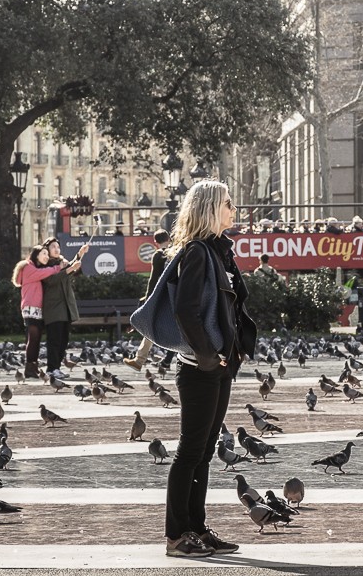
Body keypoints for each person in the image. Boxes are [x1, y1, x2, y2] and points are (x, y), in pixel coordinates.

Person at [164, 180, 256, 558]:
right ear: (209, 208)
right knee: (190, 452)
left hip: (219, 364)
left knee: (203, 453)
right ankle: (176, 536)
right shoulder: (198, 252)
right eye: (228, 204)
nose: (233, 210)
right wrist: (205, 355)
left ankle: (197, 529)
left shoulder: (218, 251)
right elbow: (186, 309)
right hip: (200, 367)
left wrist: (229, 355)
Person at [12, 246, 69, 378]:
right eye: (44, 254)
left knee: (35, 339)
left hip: (36, 309)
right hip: (31, 308)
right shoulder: (28, 267)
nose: (46, 256)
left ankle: (33, 367)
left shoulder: (34, 267)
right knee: (33, 339)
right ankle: (30, 368)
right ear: (36, 255)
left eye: (47, 254)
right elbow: (42, 274)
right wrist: (57, 268)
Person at [41, 237, 89, 380]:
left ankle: (57, 368)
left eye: (58, 247)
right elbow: (51, 280)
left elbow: (72, 267)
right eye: (53, 247)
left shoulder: (62, 263)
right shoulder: (45, 265)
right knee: (54, 340)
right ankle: (51, 369)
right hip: (53, 308)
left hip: (65, 308)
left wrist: (80, 254)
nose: (56, 249)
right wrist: (69, 269)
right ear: (47, 251)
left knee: (63, 340)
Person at [124, 230, 172, 371]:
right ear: (169, 239)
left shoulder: (158, 255)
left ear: (155, 242)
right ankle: (146, 360)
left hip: (159, 297)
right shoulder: (175, 254)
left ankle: (142, 360)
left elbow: (153, 279)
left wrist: (148, 298)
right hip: (171, 296)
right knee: (156, 327)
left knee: (153, 327)